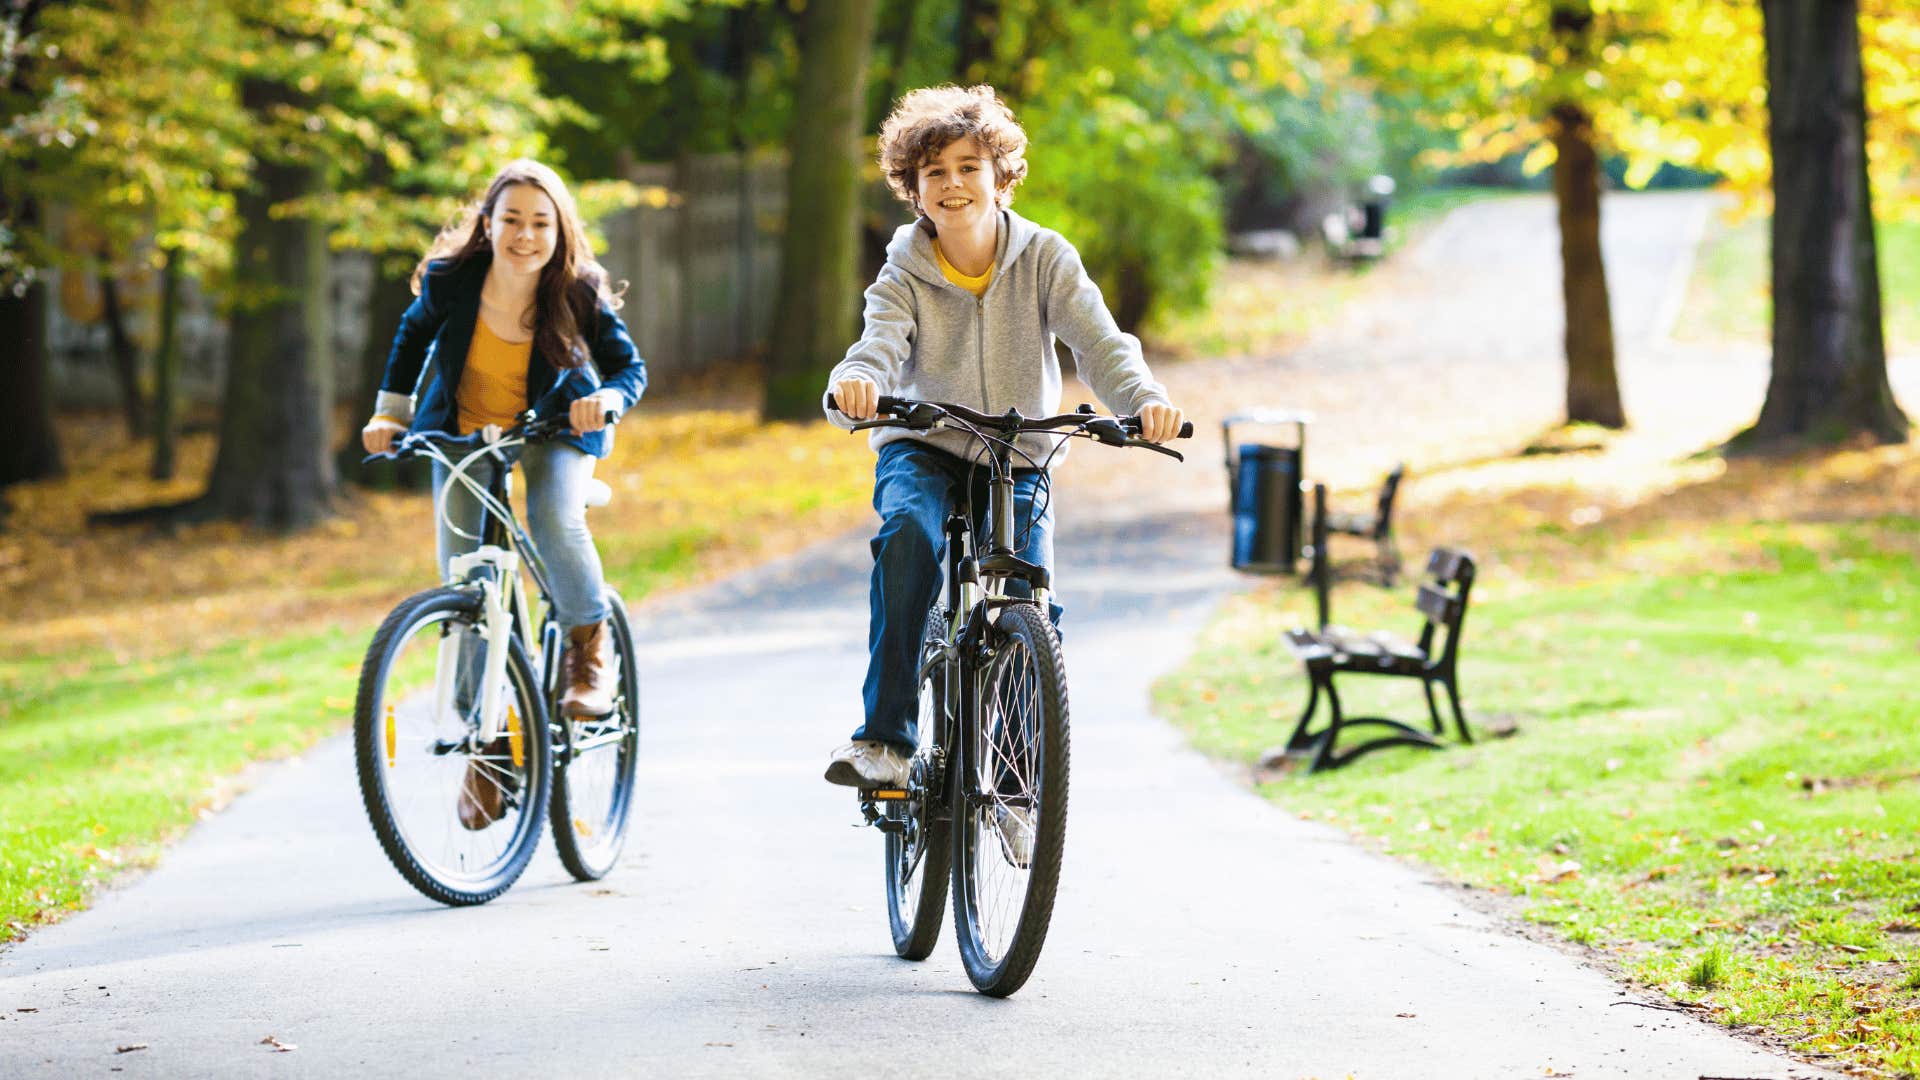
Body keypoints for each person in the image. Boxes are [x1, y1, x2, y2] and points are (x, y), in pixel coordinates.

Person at [821, 85, 1186, 792]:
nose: (953, 183)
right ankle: (885, 741)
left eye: (968, 166)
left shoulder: (1046, 257)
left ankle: (1018, 782)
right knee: (907, 537)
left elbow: (1102, 345)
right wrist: (856, 384)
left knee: (1027, 597)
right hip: (923, 443)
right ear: (915, 190)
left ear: (1000, 176)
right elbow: (877, 344)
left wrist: (1144, 401)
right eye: (934, 172)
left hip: (1020, 451)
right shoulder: (905, 268)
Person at [361, 158, 645, 829]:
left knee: (552, 519)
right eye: (511, 219)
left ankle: (587, 650)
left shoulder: (577, 288)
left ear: (559, 230)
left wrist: (604, 400)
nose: (525, 234)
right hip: (462, 432)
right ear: (487, 225)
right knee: (465, 584)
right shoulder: (451, 280)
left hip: (554, 430)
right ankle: (490, 748)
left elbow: (628, 368)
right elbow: (410, 338)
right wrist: (390, 412)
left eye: (540, 222)